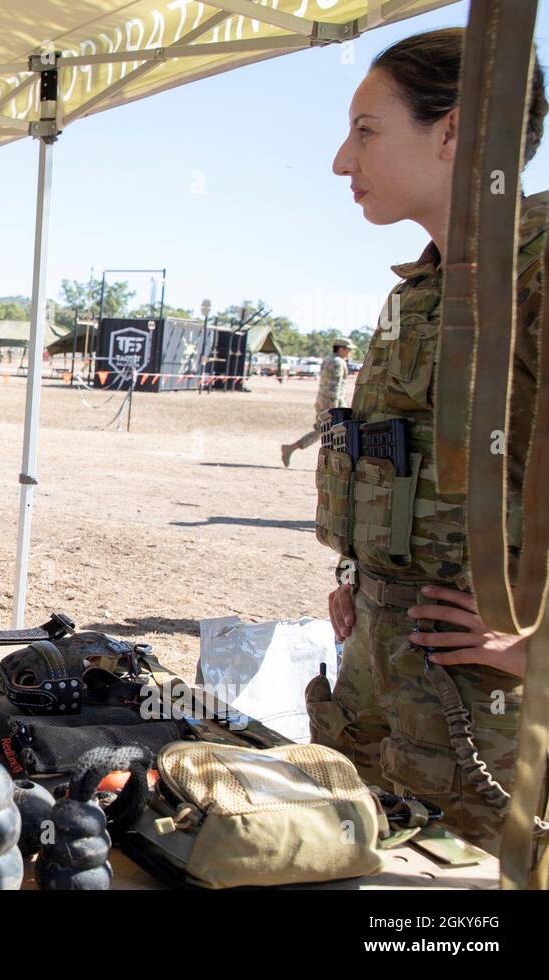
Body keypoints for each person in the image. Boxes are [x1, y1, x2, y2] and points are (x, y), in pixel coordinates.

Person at [307, 28, 545, 853]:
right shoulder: (425, 289)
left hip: (488, 749)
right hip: (385, 713)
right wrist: (368, 583)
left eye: (367, 130)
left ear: (454, 133)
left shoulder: (534, 281)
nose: (343, 160)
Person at [281, 338, 352, 467]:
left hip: (322, 400)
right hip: (332, 402)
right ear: (341, 348)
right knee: (340, 431)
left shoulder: (328, 359)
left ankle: (291, 448)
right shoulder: (337, 362)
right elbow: (333, 386)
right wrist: (335, 409)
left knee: (321, 430)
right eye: (348, 349)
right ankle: (337, 463)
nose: (350, 352)